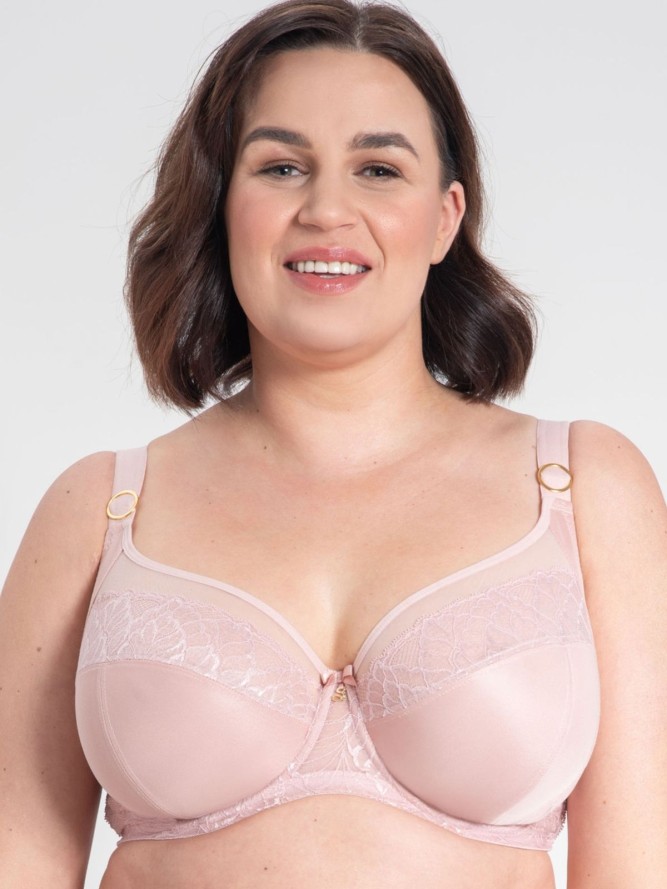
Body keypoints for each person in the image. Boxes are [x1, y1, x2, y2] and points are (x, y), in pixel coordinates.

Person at [1, 0, 665, 886]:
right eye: (281, 166)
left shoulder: (583, 489)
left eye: (378, 168)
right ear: (221, 206)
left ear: (444, 217)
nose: (325, 209)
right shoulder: (98, 509)